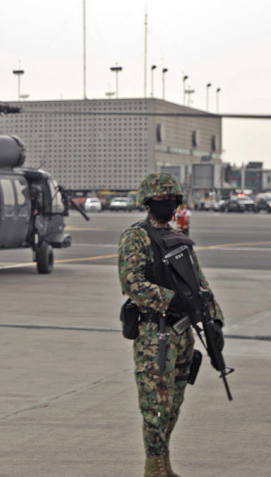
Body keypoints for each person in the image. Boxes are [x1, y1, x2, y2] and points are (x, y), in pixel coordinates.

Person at [118, 173, 225, 477]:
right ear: (148, 203)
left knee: (174, 405)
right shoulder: (136, 237)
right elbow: (131, 283)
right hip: (156, 335)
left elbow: (199, 285)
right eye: (161, 201)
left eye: (172, 201)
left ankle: (164, 464)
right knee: (155, 408)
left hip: (183, 334)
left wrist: (214, 320)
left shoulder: (179, 239)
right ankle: (153, 469)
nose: (167, 205)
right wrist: (172, 300)